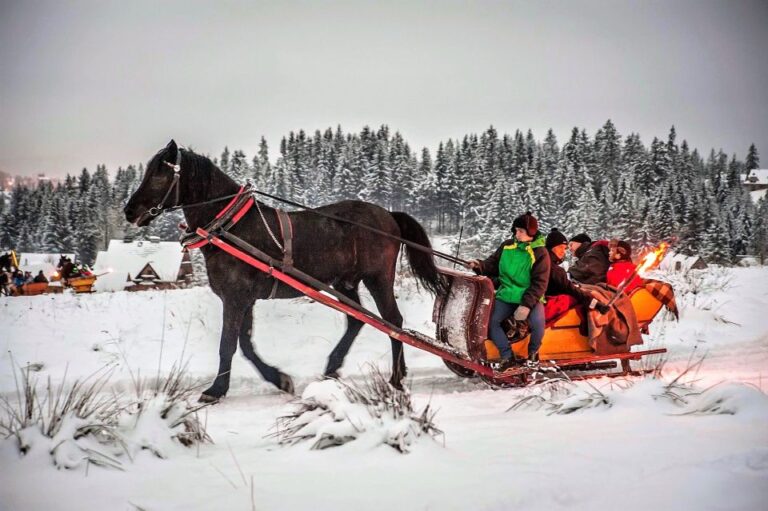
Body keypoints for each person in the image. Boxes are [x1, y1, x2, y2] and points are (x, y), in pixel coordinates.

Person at [466, 212, 550, 368]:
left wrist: (526, 305)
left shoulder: (540, 253)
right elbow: (492, 263)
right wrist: (479, 265)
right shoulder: (507, 246)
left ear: (531, 233)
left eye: (521, 231)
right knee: (492, 323)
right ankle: (507, 355)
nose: (516, 234)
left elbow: (540, 283)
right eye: (516, 230)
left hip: (529, 296)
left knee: (538, 323)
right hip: (506, 294)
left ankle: (533, 353)